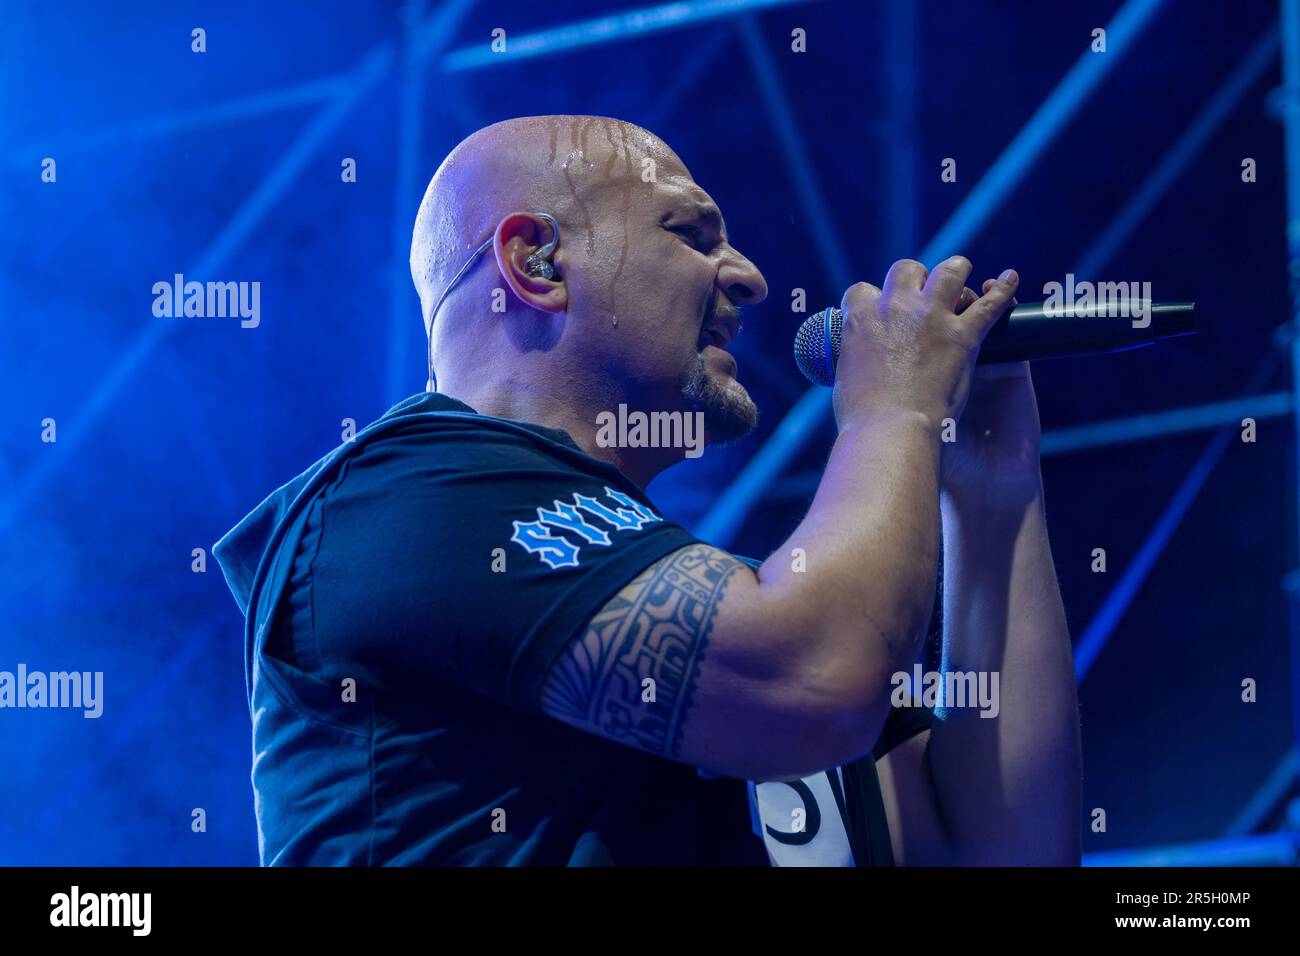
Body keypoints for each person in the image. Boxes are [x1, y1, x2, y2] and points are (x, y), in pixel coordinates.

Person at [214, 114, 1081, 866]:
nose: (747, 276)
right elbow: (818, 682)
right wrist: (892, 412)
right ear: (535, 262)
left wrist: (994, 494)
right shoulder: (403, 500)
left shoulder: (744, 604)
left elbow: (1005, 855)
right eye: (692, 235)